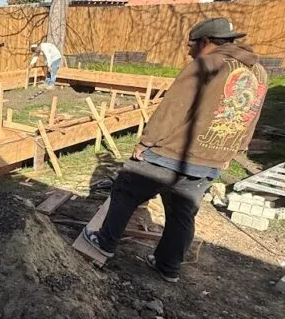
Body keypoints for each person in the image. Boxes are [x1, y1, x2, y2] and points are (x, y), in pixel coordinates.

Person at [83, 17, 268, 282]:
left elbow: (172, 109)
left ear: (206, 42)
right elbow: (250, 116)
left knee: (125, 190)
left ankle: (104, 242)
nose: (189, 51)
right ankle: (168, 266)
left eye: (191, 45)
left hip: (171, 154)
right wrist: (234, 150)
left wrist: (146, 141)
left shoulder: (205, 65)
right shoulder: (258, 73)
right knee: (182, 212)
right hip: (211, 158)